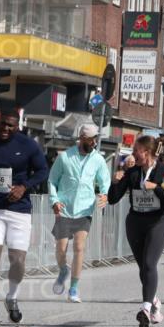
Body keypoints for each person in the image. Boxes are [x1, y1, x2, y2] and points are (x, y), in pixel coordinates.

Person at [0, 111, 49, 327]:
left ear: (18, 127)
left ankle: (12, 297)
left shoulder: (29, 146)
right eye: (3, 125)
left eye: (10, 126)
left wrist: (24, 187)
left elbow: (43, 171)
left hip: (19, 211)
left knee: (17, 262)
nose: (5, 129)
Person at [108, 135, 164, 327]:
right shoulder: (132, 172)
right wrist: (115, 180)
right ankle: (155, 302)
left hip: (158, 221)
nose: (133, 154)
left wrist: (155, 188)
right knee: (143, 268)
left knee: (149, 263)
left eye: (136, 150)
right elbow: (113, 199)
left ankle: (145, 308)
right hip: (136, 222)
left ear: (146, 152)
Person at [47, 123, 111, 303]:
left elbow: (104, 180)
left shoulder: (98, 159)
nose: (94, 143)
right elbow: (52, 180)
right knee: (60, 249)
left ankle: (73, 289)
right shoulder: (65, 157)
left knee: (79, 248)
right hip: (65, 208)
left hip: (85, 209)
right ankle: (63, 271)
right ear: (82, 138)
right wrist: (54, 200)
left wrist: (104, 194)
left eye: (95, 139)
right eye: (91, 140)